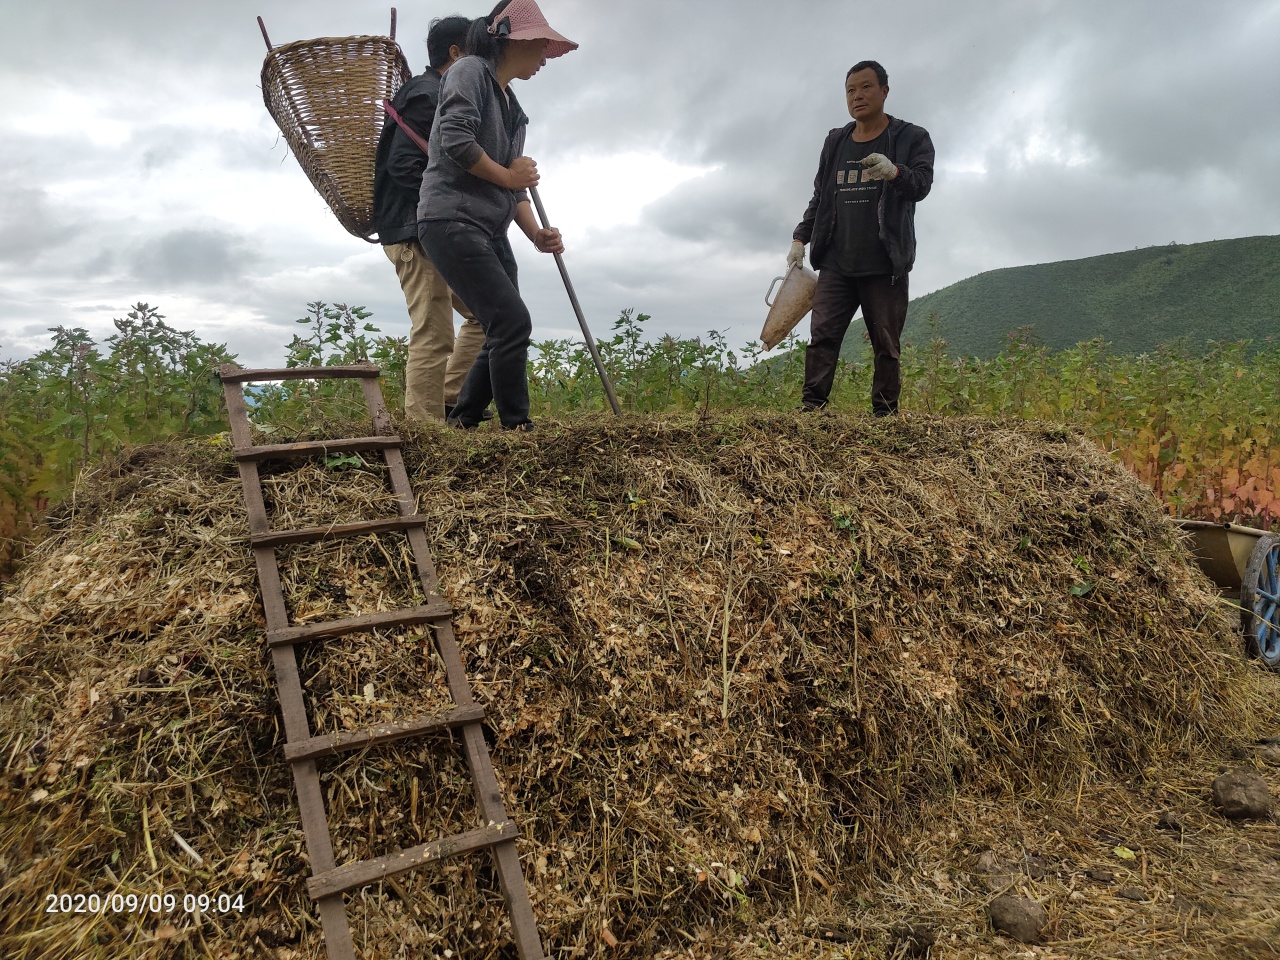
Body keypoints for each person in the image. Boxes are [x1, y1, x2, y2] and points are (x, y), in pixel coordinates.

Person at [415, 0, 574, 432]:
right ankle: (517, 428)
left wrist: (536, 234)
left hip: (489, 227)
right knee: (511, 321)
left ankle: (464, 419)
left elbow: (514, 186)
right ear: (512, 40)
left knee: (501, 326)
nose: (544, 58)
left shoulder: (513, 108)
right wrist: (508, 175)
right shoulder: (469, 71)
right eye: (541, 46)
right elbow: (455, 140)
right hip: (451, 219)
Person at [790, 60, 935, 417]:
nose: (857, 96)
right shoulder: (836, 141)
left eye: (866, 87)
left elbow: (921, 186)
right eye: (850, 90)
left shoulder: (911, 137)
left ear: (885, 91)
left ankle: (885, 415)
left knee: (886, 344)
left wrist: (894, 172)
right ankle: (812, 409)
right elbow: (821, 196)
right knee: (822, 338)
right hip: (837, 262)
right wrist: (800, 238)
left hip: (884, 263)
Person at [373, 15, 487, 423]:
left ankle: (448, 399)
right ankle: (424, 429)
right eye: (475, 52)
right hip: (414, 232)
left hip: (429, 230)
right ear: (456, 53)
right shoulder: (426, 95)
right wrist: (442, 211)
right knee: (434, 331)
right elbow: (404, 166)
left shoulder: (436, 93)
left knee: (486, 316)